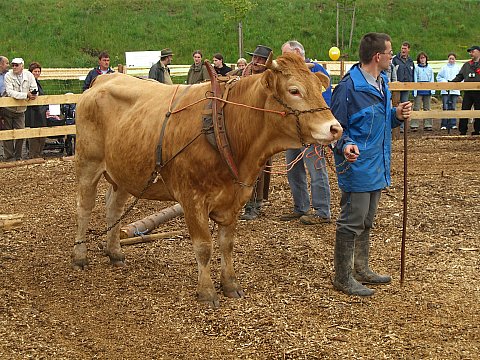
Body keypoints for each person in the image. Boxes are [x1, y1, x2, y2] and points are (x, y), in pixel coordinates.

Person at [330, 32, 412, 296]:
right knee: (352, 220)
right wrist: (345, 145)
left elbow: (380, 120)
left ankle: (360, 268)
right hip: (356, 166)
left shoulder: (381, 82)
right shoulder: (348, 88)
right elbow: (336, 129)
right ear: (378, 57)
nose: (392, 57)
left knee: (366, 219)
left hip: (377, 164)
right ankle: (342, 277)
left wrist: (396, 115)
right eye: (389, 53)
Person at [279, 40, 332, 225]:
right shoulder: (290, 74)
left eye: (286, 54)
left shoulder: (316, 70)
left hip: (312, 130)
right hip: (294, 131)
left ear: (297, 53)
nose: (283, 58)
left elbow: (324, 100)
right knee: (293, 169)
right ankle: (300, 207)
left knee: (316, 169)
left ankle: (322, 210)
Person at [239, 45, 273, 220]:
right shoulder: (244, 74)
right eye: (255, 58)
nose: (256, 61)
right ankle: (246, 202)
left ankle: (254, 204)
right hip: (243, 127)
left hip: (262, 128)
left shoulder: (269, 81)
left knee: (257, 166)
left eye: (260, 59)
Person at [3, 58, 38, 161]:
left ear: (22, 66)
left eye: (16, 65)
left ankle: (18, 156)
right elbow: (10, 92)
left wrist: (33, 95)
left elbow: (34, 87)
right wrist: (26, 95)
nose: (14, 67)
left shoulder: (29, 75)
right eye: (13, 65)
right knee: (8, 134)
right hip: (8, 109)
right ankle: (9, 157)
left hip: (21, 110)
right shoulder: (8, 75)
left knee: (21, 134)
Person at [451, 45, 480, 135]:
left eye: (472, 51)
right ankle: (463, 130)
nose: (470, 53)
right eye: (470, 52)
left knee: (478, 111)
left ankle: (478, 130)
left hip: (479, 92)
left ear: (478, 52)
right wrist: (451, 83)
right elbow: (460, 76)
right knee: (465, 110)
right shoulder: (467, 65)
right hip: (468, 91)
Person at [25, 62, 48, 158]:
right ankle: (33, 155)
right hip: (32, 112)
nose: (37, 73)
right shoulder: (29, 82)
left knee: (42, 135)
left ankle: (38, 154)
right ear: (31, 72)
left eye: (39, 71)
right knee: (34, 135)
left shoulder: (38, 82)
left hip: (41, 111)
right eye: (35, 71)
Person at [392, 41, 414, 132]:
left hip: (406, 86)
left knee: (405, 105)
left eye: (405, 48)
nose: (403, 50)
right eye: (402, 48)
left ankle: (402, 127)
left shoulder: (410, 61)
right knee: (395, 105)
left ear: (408, 49)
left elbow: (412, 73)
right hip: (396, 86)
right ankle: (394, 127)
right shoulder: (395, 59)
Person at [410, 51, 435, 131]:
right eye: (421, 58)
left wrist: (432, 90)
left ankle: (428, 124)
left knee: (427, 108)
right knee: (416, 107)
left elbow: (432, 79)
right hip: (419, 89)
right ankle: (414, 125)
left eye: (424, 58)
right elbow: (415, 78)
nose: (422, 59)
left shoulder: (430, 68)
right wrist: (415, 90)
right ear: (419, 59)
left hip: (427, 89)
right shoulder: (416, 68)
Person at [437, 53, 461, 131]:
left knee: (453, 106)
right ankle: (444, 124)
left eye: (453, 59)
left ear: (455, 59)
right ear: (448, 59)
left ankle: (453, 123)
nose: (451, 60)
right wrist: (445, 82)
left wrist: (456, 84)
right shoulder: (444, 68)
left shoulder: (458, 68)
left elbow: (461, 78)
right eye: (450, 58)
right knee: (445, 106)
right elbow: (439, 77)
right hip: (445, 90)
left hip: (455, 90)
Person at [0, 56, 10, 132]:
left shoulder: (9, 75)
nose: (8, 65)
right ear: (1, 64)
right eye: (7, 63)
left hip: (7, 104)